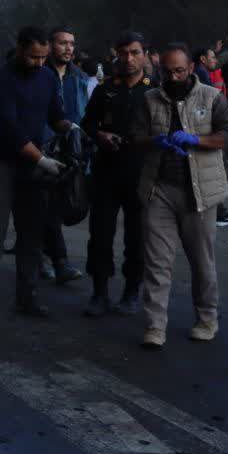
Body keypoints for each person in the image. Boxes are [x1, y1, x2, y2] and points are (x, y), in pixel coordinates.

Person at [134, 43, 228, 348]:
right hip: (160, 189)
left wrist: (197, 139)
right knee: (156, 262)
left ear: (191, 68)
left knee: (202, 262)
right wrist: (156, 140)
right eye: (168, 71)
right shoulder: (149, 99)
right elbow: (135, 137)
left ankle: (207, 318)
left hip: (200, 192)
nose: (174, 76)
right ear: (160, 70)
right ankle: (155, 326)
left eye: (179, 70)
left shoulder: (211, 97)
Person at [0, 26, 73, 324]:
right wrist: (42, 160)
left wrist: (72, 130)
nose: (39, 63)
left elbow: (55, 116)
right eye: (33, 57)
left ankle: (27, 296)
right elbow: (10, 130)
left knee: (31, 232)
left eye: (44, 57)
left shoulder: (47, 76)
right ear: (19, 49)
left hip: (32, 165)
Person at [80, 32, 152, 317]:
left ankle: (132, 291)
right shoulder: (105, 89)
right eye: (123, 53)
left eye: (135, 52)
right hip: (107, 172)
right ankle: (99, 292)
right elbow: (87, 123)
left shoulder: (154, 90)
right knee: (100, 235)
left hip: (141, 173)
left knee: (137, 238)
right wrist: (100, 135)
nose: (129, 59)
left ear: (145, 54)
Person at [39, 27, 89, 284]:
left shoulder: (78, 77)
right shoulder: (39, 72)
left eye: (72, 43)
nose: (69, 48)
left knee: (58, 206)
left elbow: (82, 113)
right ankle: (58, 261)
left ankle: (46, 257)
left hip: (69, 151)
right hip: (39, 149)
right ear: (50, 45)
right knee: (43, 206)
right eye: (62, 43)